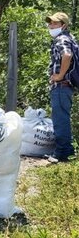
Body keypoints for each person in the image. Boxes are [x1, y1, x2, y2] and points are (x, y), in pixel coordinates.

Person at [45, 12, 77, 163]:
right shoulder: (69, 38)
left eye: (55, 24)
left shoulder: (62, 38)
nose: (51, 26)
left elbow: (67, 55)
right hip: (66, 86)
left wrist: (59, 76)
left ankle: (61, 153)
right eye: (50, 23)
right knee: (63, 117)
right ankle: (68, 150)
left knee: (60, 119)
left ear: (63, 25)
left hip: (61, 85)